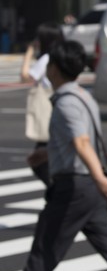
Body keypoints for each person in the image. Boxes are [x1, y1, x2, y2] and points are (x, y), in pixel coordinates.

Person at [20, 41, 107, 271]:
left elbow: (82, 143)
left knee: (44, 250)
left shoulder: (67, 103)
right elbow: (75, 141)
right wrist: (46, 155)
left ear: (53, 69)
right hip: (88, 191)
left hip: (73, 189)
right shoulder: (84, 97)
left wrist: (99, 178)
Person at [20, 22, 64, 185]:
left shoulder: (45, 59)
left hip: (48, 119)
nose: (37, 41)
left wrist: (29, 52)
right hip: (59, 113)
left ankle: (56, 190)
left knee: (39, 161)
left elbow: (25, 76)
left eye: (39, 38)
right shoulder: (59, 57)